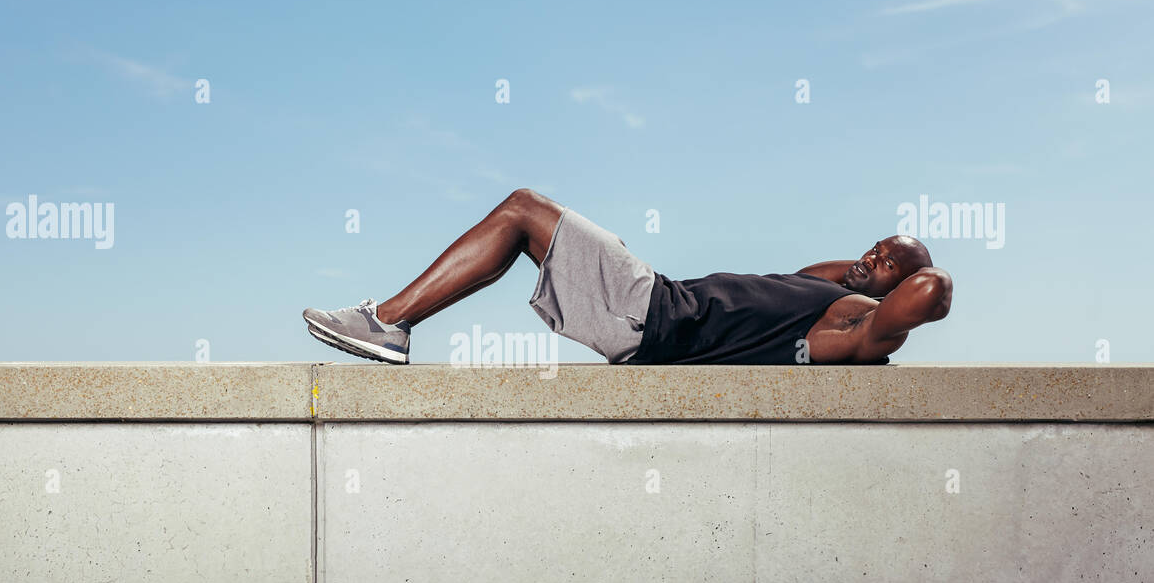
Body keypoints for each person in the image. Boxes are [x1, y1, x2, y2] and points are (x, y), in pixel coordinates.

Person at [302, 188, 953, 365]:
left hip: (657, 315)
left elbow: (932, 291)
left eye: (886, 261)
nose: (869, 259)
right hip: (656, 303)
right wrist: (877, 265)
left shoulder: (856, 325)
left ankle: (388, 322)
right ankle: (390, 323)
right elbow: (847, 269)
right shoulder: (835, 289)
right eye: (873, 248)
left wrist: (909, 274)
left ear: (899, 289)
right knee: (532, 223)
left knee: (525, 210)